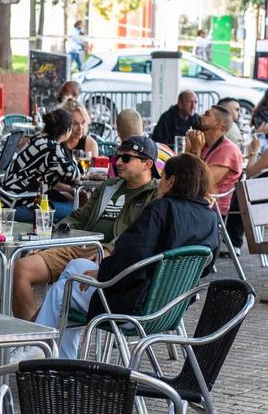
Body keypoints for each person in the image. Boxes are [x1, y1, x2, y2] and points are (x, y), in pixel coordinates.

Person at [20, 154, 219, 360]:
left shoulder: (162, 209)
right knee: (75, 266)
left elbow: (133, 255)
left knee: (62, 290)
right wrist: (101, 269)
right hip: (170, 305)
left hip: (133, 305)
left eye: (163, 177)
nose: (159, 181)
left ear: (172, 181)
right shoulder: (210, 217)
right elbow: (205, 265)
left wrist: (102, 272)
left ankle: (41, 352)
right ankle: (43, 351)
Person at [10, 136, 160, 320]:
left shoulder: (155, 195)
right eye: (116, 157)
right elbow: (79, 217)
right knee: (21, 268)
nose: (118, 162)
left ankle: (34, 339)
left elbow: (140, 236)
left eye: (126, 158)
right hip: (81, 244)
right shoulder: (109, 186)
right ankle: (32, 339)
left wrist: (109, 250)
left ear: (147, 164)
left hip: (110, 257)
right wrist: (50, 240)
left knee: (63, 290)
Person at [3, 107, 81, 222]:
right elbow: (74, 175)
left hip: (7, 199)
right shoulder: (52, 148)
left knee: (67, 201)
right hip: (18, 205)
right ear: (68, 130)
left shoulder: (39, 139)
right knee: (74, 211)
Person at [184, 105, 243, 220]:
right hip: (193, 202)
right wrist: (189, 150)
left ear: (219, 124)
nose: (201, 116)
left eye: (207, 114)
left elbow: (199, 184)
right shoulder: (204, 144)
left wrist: (196, 151)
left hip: (211, 210)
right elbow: (184, 175)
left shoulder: (229, 151)